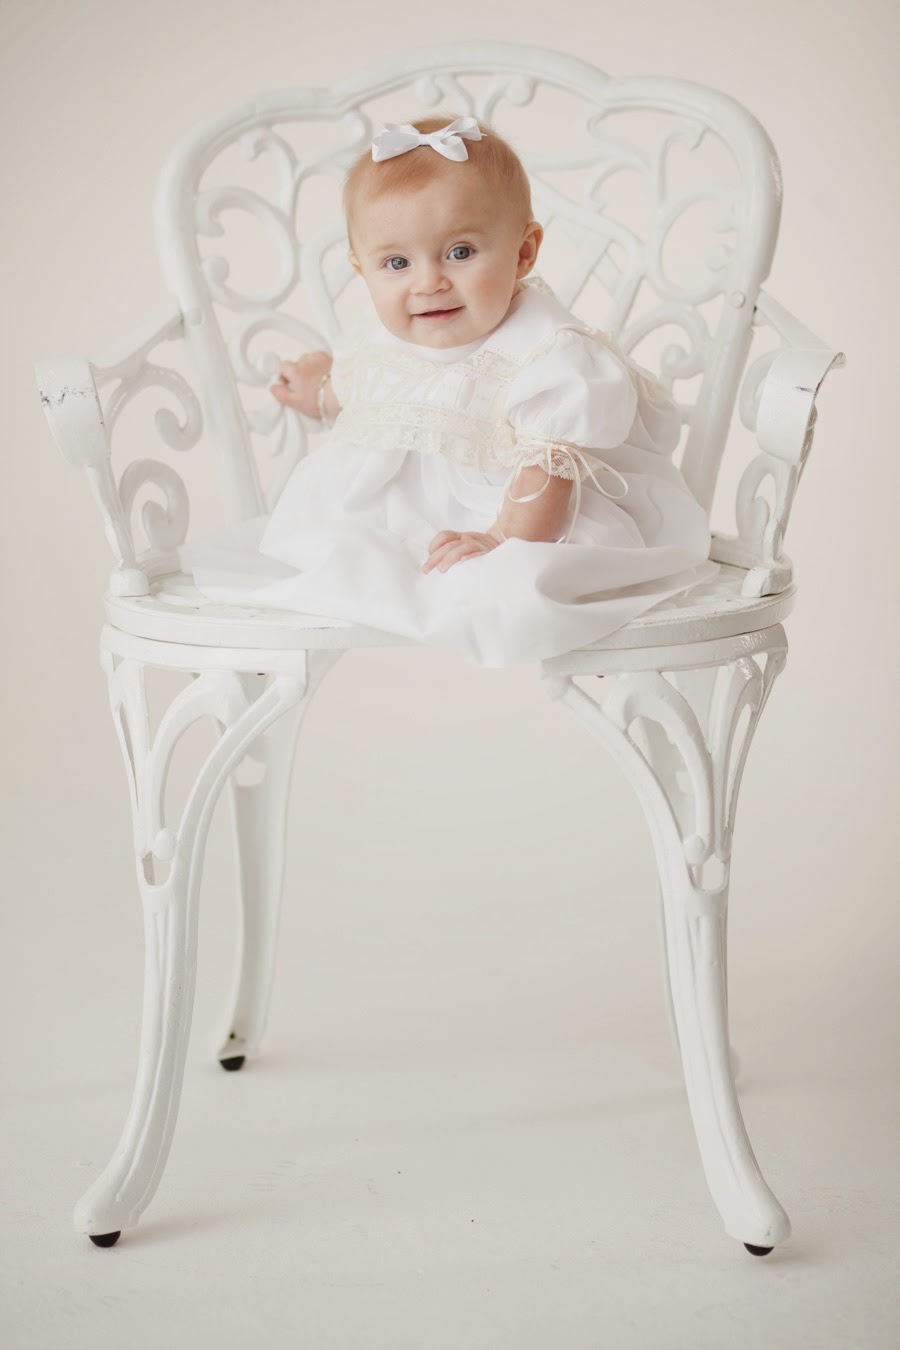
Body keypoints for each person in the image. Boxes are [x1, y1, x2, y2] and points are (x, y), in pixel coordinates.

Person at [177, 114, 719, 668]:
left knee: (511, 586)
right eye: (396, 263)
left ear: (524, 252)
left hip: (518, 515)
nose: (428, 282)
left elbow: (547, 471)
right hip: (390, 514)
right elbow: (382, 393)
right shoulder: (384, 336)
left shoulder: (548, 353)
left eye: (460, 252)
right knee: (333, 554)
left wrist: (501, 540)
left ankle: (486, 567)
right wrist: (322, 393)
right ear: (362, 269)